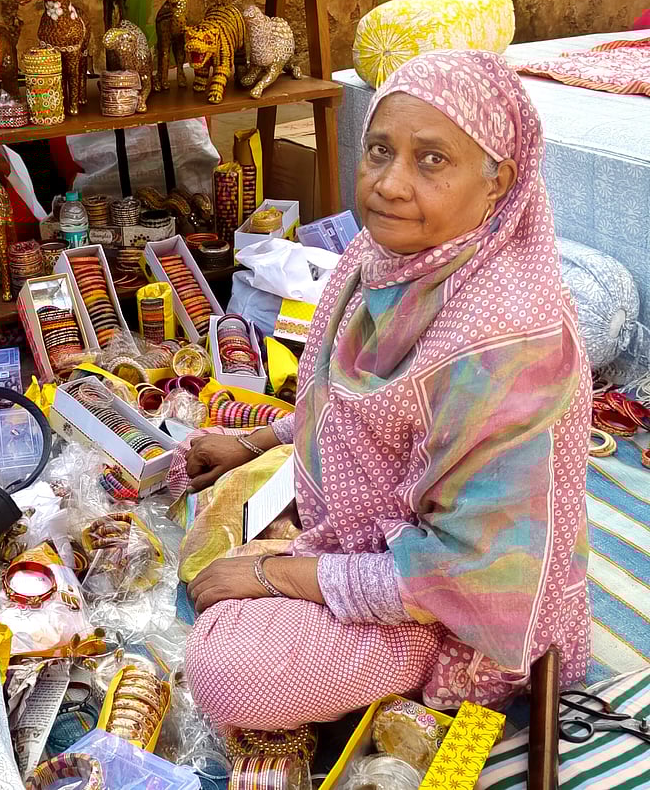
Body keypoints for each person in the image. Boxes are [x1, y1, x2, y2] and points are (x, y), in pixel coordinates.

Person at [180, 50, 592, 731]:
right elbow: (341, 400)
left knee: (229, 670)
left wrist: (274, 577)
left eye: (431, 160)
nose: (389, 184)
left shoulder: (511, 343)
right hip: (371, 542)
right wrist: (256, 440)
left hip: (454, 612)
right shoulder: (377, 260)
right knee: (201, 507)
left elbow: (468, 576)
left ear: (499, 183)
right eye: (379, 150)